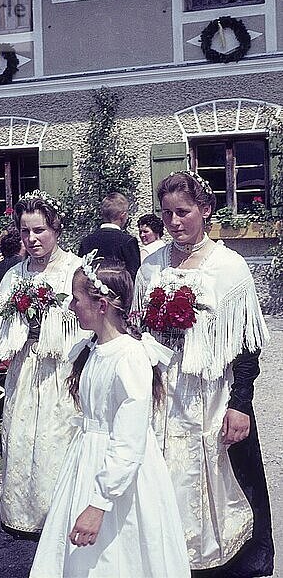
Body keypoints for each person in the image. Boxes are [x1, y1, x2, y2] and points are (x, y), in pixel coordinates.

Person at [133, 171, 274, 577]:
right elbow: (141, 330)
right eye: (167, 214)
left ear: (205, 210)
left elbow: (247, 346)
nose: (174, 222)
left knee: (216, 477)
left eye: (183, 212)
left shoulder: (228, 267)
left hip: (210, 394)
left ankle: (216, 561)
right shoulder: (153, 265)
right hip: (163, 391)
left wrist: (240, 405)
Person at [30, 257, 190, 578]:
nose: (72, 306)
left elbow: (129, 440)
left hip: (118, 472)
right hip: (87, 459)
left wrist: (99, 503)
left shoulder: (129, 357)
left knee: (121, 555)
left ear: (101, 304)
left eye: (77, 299)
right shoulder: (94, 348)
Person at [0, 190, 86, 537]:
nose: (32, 239)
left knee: (59, 447)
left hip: (65, 374)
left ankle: (66, 525)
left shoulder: (75, 270)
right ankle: (34, 526)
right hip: (25, 374)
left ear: (57, 229)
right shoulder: (15, 276)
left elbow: (95, 328)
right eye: (26, 231)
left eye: (40, 230)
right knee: (25, 447)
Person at [78, 192, 140, 280]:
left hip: (91, 291)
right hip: (119, 292)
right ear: (122, 215)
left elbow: (81, 274)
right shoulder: (128, 242)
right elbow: (134, 276)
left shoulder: (86, 241)